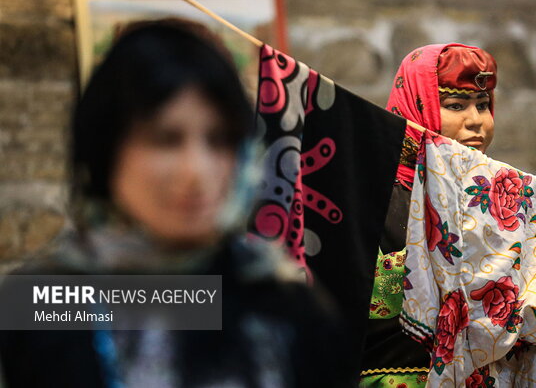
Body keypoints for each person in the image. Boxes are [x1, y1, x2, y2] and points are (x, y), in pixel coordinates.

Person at [0, 19, 348, 388]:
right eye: (166, 139)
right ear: (106, 147)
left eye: (218, 140)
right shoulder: (43, 304)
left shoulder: (286, 306)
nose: (196, 171)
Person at [360, 43, 497, 387]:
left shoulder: (498, 204)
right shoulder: (369, 197)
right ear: (415, 108)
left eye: (483, 105)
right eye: (455, 105)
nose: (476, 121)